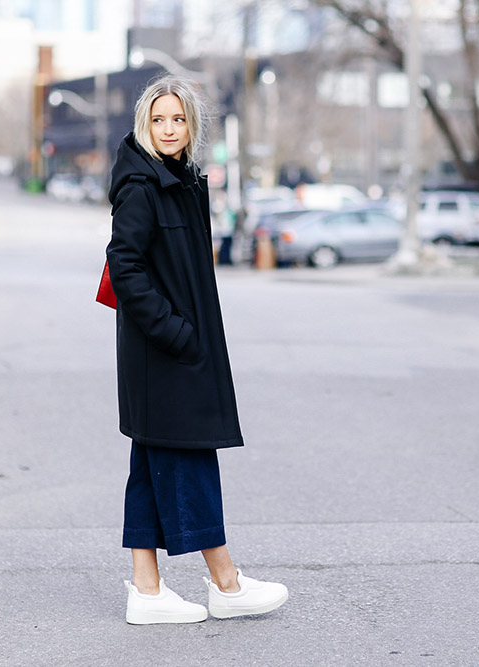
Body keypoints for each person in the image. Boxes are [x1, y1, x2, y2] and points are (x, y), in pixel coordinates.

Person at [105, 75, 288, 624]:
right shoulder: (142, 186)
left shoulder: (178, 180)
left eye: (177, 119)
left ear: (191, 126)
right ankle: (226, 584)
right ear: (144, 124)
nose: (167, 128)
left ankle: (147, 589)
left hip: (167, 349)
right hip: (163, 350)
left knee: (151, 461)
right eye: (158, 119)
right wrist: (176, 332)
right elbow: (125, 266)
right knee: (192, 457)